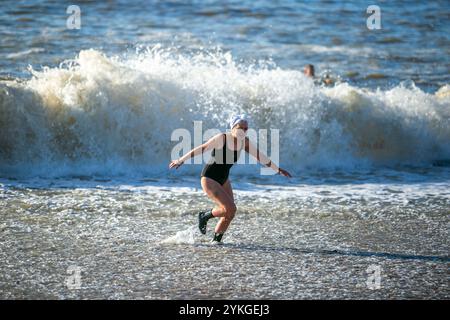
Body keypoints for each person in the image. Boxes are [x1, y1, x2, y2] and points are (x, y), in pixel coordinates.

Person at [169, 115, 292, 243]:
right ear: (232, 128)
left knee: (230, 213)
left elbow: (260, 157)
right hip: (209, 179)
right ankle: (204, 216)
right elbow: (202, 148)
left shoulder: (245, 142)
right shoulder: (222, 138)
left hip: (224, 179)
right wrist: (180, 160)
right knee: (230, 208)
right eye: (240, 128)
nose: (243, 131)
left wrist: (277, 169)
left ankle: (216, 242)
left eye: (245, 129)